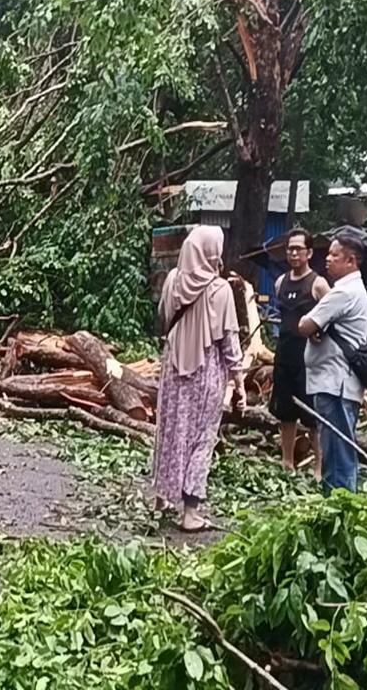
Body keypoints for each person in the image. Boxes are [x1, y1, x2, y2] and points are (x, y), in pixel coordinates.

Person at [152, 226, 246, 532]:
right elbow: (230, 344)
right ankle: (190, 514)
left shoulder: (172, 281)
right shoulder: (221, 291)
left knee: (170, 433)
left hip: (173, 371)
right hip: (205, 374)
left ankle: (162, 499)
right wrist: (239, 383)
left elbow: (165, 320)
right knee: (201, 441)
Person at [299, 236, 367, 495]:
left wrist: (311, 326)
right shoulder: (355, 290)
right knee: (339, 450)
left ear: (351, 260)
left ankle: (338, 512)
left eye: (334, 255)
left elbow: (305, 325)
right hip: (338, 382)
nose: (327, 259)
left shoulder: (343, 291)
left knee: (337, 455)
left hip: (335, 384)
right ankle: (341, 508)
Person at [270, 229, 329, 479]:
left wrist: (321, 334)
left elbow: (331, 316)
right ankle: (287, 463)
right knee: (285, 413)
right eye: (290, 249)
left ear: (309, 253)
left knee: (313, 417)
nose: (294, 253)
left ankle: (318, 467)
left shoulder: (318, 284)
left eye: (298, 249)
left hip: (310, 360)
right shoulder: (280, 282)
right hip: (284, 356)